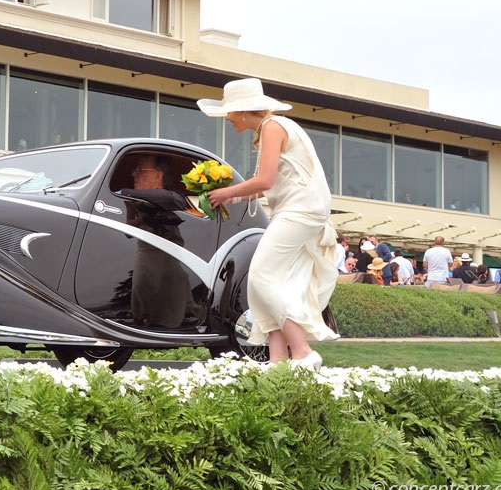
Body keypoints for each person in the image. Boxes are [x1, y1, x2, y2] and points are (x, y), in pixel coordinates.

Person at [200, 78, 338, 369]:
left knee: (262, 277)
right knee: (269, 284)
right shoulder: (275, 127)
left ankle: (302, 352)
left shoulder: (273, 127)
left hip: (299, 211)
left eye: (230, 112)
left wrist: (226, 191)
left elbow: (265, 180)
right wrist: (232, 199)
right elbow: (268, 186)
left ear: (242, 111)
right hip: (302, 211)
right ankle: (279, 362)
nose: (227, 118)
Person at [117, 153, 200, 328]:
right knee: (141, 290)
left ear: (158, 175)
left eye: (140, 169)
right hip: (146, 254)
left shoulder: (172, 197)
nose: (134, 174)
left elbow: (168, 199)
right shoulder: (134, 200)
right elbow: (129, 231)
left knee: (179, 295)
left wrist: (125, 193)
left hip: (169, 254)